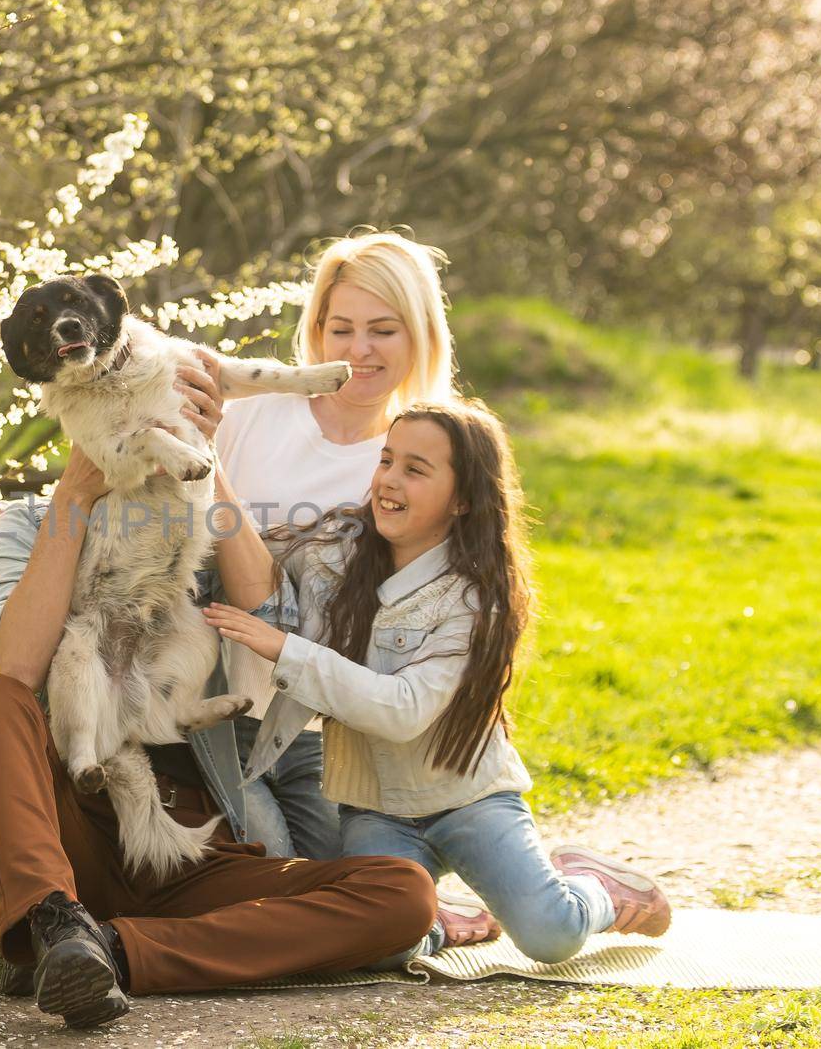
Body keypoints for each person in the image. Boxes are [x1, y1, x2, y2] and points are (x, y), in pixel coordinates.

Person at [0, 440, 437, 1030]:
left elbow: (274, 624)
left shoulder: (212, 517)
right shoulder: (27, 519)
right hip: (69, 827)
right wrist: (75, 495)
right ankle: (54, 918)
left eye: (189, 409)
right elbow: (19, 666)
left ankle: (112, 951)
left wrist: (211, 470)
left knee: (405, 892)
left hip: (192, 848)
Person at [201, 400, 672, 963]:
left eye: (415, 470)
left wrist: (286, 650)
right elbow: (243, 551)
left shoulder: (475, 600)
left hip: (469, 801)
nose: (388, 481)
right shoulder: (336, 547)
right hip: (375, 811)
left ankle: (590, 885)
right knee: (384, 947)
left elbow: (401, 709)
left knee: (551, 934)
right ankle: (443, 916)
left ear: (464, 498)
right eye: (386, 460)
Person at [210, 228, 458, 860]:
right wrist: (28, 522)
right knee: (266, 864)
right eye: (340, 328)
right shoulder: (253, 415)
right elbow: (147, 495)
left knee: (346, 882)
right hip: (213, 705)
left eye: (384, 329)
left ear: (420, 333)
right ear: (316, 331)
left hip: (321, 729)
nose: (359, 350)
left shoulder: (423, 458)